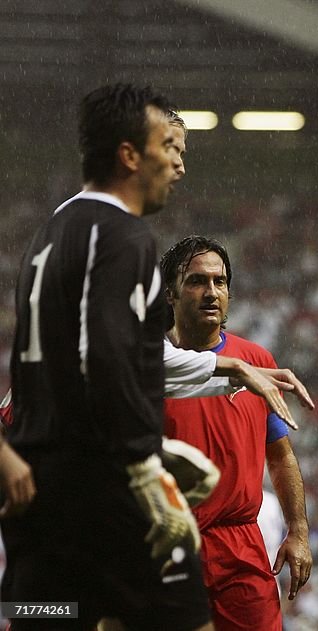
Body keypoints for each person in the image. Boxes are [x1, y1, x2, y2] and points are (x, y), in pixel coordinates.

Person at [3, 83, 212, 630]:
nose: (176, 163)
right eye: (168, 145)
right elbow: (107, 353)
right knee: (188, 621)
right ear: (129, 155)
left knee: (41, 618)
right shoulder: (123, 235)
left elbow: (59, 362)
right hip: (106, 490)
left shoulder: (47, 237)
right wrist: (145, 465)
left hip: (37, 497)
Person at [161, 235, 312, 630]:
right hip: (167, 545)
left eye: (220, 281)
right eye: (196, 281)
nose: (211, 292)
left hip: (240, 546)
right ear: (170, 294)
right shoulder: (143, 366)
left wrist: (298, 531)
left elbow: (280, 456)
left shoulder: (256, 359)